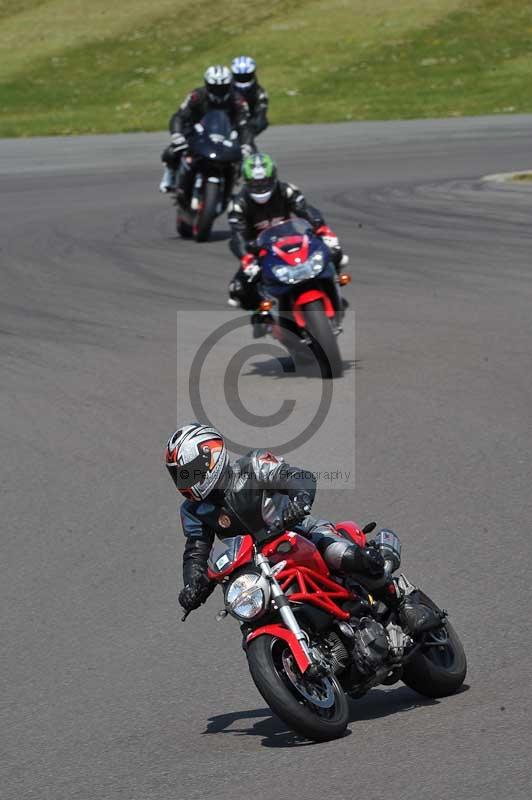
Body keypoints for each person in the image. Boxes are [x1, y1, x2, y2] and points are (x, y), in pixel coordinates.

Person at [165, 424, 436, 634]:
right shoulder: (193, 511)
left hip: (296, 531)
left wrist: (300, 500)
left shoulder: (253, 465)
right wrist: (193, 584)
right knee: (250, 611)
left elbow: (297, 477)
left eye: (188, 472)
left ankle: (402, 602)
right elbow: (196, 552)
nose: (185, 481)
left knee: (342, 555)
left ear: (210, 457)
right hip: (258, 564)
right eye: (179, 475)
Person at [227, 152, 348, 332]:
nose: (260, 187)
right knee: (237, 289)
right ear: (246, 181)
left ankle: (334, 286)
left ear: (273, 177)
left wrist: (322, 229)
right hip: (258, 249)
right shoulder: (238, 203)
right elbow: (237, 235)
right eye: (255, 183)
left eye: (264, 182)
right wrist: (246, 257)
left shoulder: (287, 190)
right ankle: (263, 313)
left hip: (292, 239)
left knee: (334, 252)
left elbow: (305, 210)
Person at [159, 65, 252, 196]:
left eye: (223, 87)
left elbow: (245, 125)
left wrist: (246, 145)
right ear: (207, 85)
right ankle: (169, 176)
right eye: (215, 88)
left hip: (226, 136)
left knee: (251, 156)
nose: (219, 91)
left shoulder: (237, 100)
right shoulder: (196, 96)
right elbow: (179, 116)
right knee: (171, 151)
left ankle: (246, 188)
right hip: (197, 133)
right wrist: (177, 134)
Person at [230, 56, 269, 140]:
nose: (243, 79)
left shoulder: (260, 93)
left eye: (246, 76)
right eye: (239, 77)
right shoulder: (225, 90)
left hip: (246, 128)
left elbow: (260, 118)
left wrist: (247, 132)